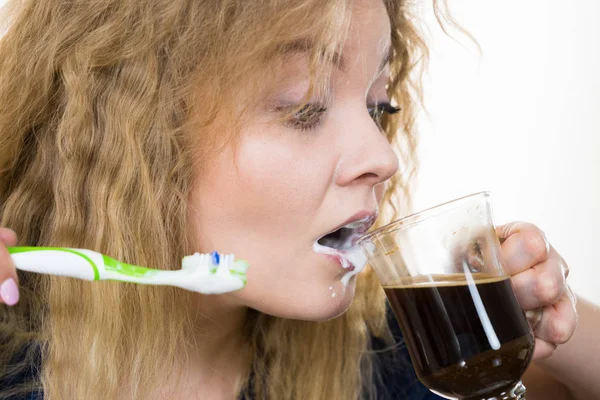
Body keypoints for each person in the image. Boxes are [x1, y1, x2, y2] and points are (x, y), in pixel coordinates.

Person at [0, 0, 597, 399]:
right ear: (133, 136)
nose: (382, 157)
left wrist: (549, 316)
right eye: (307, 106)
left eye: (378, 105)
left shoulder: (391, 355)